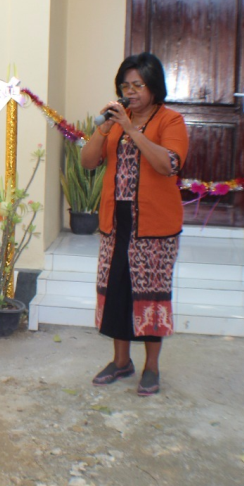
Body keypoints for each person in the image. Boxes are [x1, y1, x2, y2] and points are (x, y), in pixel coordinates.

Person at [80, 52, 189, 396]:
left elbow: (167, 164)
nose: (131, 92)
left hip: (154, 227)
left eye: (138, 85)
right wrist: (104, 130)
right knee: (116, 294)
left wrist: (131, 130)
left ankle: (151, 368)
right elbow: (87, 162)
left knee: (150, 296)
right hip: (117, 222)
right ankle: (121, 361)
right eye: (125, 86)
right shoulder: (116, 121)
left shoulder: (171, 121)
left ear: (154, 87)